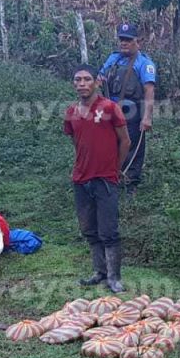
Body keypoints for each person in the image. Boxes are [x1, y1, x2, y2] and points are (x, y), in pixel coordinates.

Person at [63, 64, 132, 292]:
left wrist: (115, 168)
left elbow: (125, 141)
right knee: (89, 229)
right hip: (81, 180)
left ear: (96, 82)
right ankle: (99, 271)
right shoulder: (72, 111)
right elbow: (76, 141)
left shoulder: (110, 108)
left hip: (105, 179)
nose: (81, 84)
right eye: (77, 80)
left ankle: (114, 277)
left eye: (86, 79)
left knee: (108, 230)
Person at [96, 23, 157, 198]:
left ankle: (131, 184)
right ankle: (110, 178)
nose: (124, 43)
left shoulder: (144, 63)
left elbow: (149, 91)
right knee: (109, 145)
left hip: (132, 113)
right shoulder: (113, 59)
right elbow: (100, 78)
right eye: (122, 39)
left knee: (132, 148)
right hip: (110, 111)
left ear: (138, 42)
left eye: (128, 40)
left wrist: (147, 118)